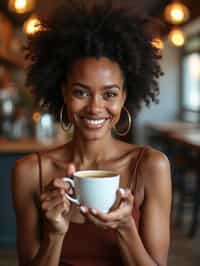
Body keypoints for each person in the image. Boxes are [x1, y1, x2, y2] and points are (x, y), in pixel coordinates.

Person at [12, 1, 172, 266]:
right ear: (63, 91)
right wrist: (54, 235)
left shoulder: (151, 167)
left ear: (124, 97)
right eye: (81, 92)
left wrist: (125, 228)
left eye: (109, 94)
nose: (96, 107)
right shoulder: (29, 172)